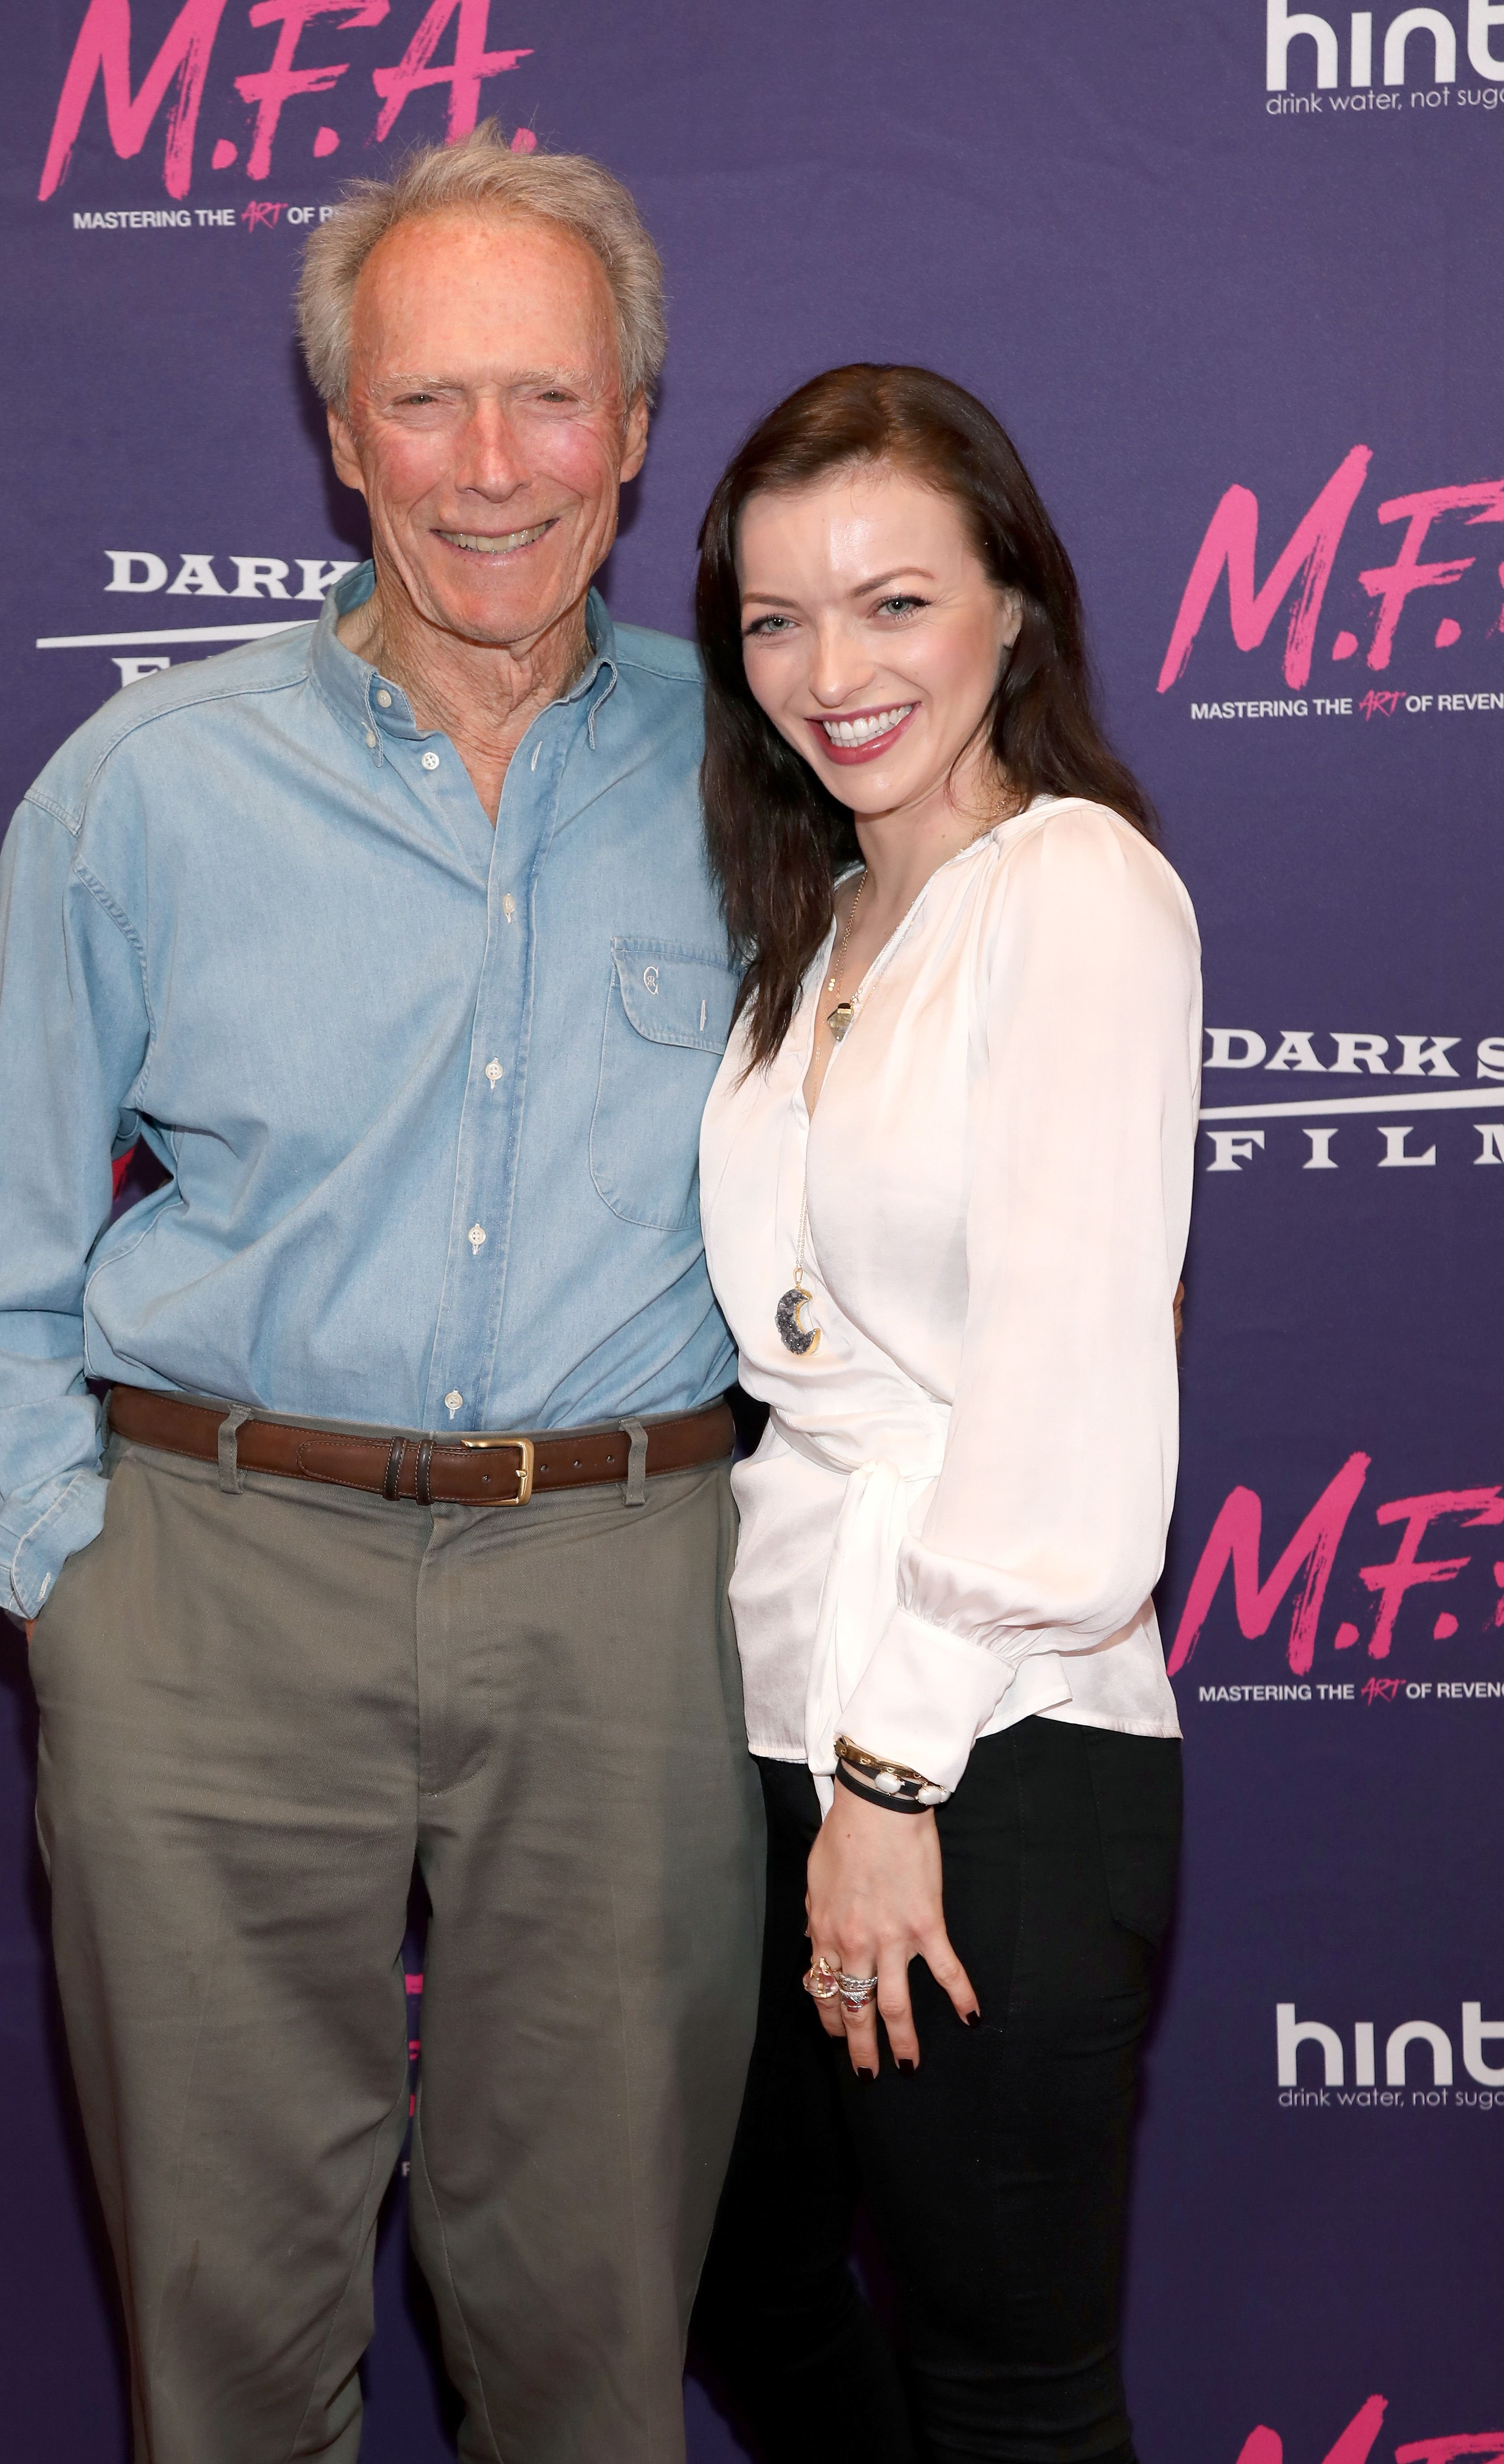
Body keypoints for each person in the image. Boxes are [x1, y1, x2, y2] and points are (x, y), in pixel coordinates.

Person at [0, 126, 763, 2464]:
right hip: (208, 1589)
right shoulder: (140, 792)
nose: (489, 470)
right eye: (423, 403)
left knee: (595, 2332)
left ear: (633, 423)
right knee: (223, 2334)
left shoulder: (769, 774)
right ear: (334, 437)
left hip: (621, 1590)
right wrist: (70, 1574)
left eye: (548, 399)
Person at [688, 365, 1200, 2464]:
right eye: (776, 621)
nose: (835, 672)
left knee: (1008, 2383)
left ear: (1010, 605)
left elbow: (1065, 1371)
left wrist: (885, 1779)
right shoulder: (810, 924)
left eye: (894, 604)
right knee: (738, 2278)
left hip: (985, 1747)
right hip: (767, 1716)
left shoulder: (1071, 889)